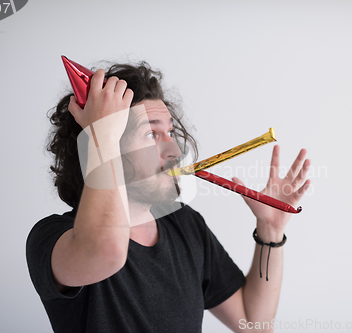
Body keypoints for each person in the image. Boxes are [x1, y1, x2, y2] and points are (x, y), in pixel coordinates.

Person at [26, 61, 311, 333]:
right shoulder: (52, 237)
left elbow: (253, 322)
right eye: (151, 134)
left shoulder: (185, 224)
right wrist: (100, 131)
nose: (174, 150)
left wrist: (271, 231)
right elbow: (106, 251)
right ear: (106, 143)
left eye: (170, 132)